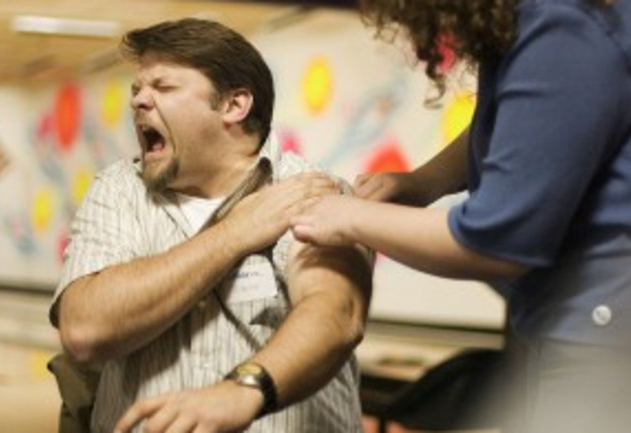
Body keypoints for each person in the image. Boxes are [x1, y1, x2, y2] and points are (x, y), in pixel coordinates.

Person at [291, 0, 631, 432]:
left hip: (602, 333)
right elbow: (528, 125)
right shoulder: (546, 24)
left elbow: (494, 243)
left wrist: (349, 217)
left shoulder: (561, 29)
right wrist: (424, 182)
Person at [49, 17, 372, 433]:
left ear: (234, 106)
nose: (139, 101)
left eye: (163, 87)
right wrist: (235, 233)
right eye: (136, 90)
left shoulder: (307, 190)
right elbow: (84, 330)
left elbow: (335, 313)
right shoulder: (118, 191)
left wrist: (244, 390)